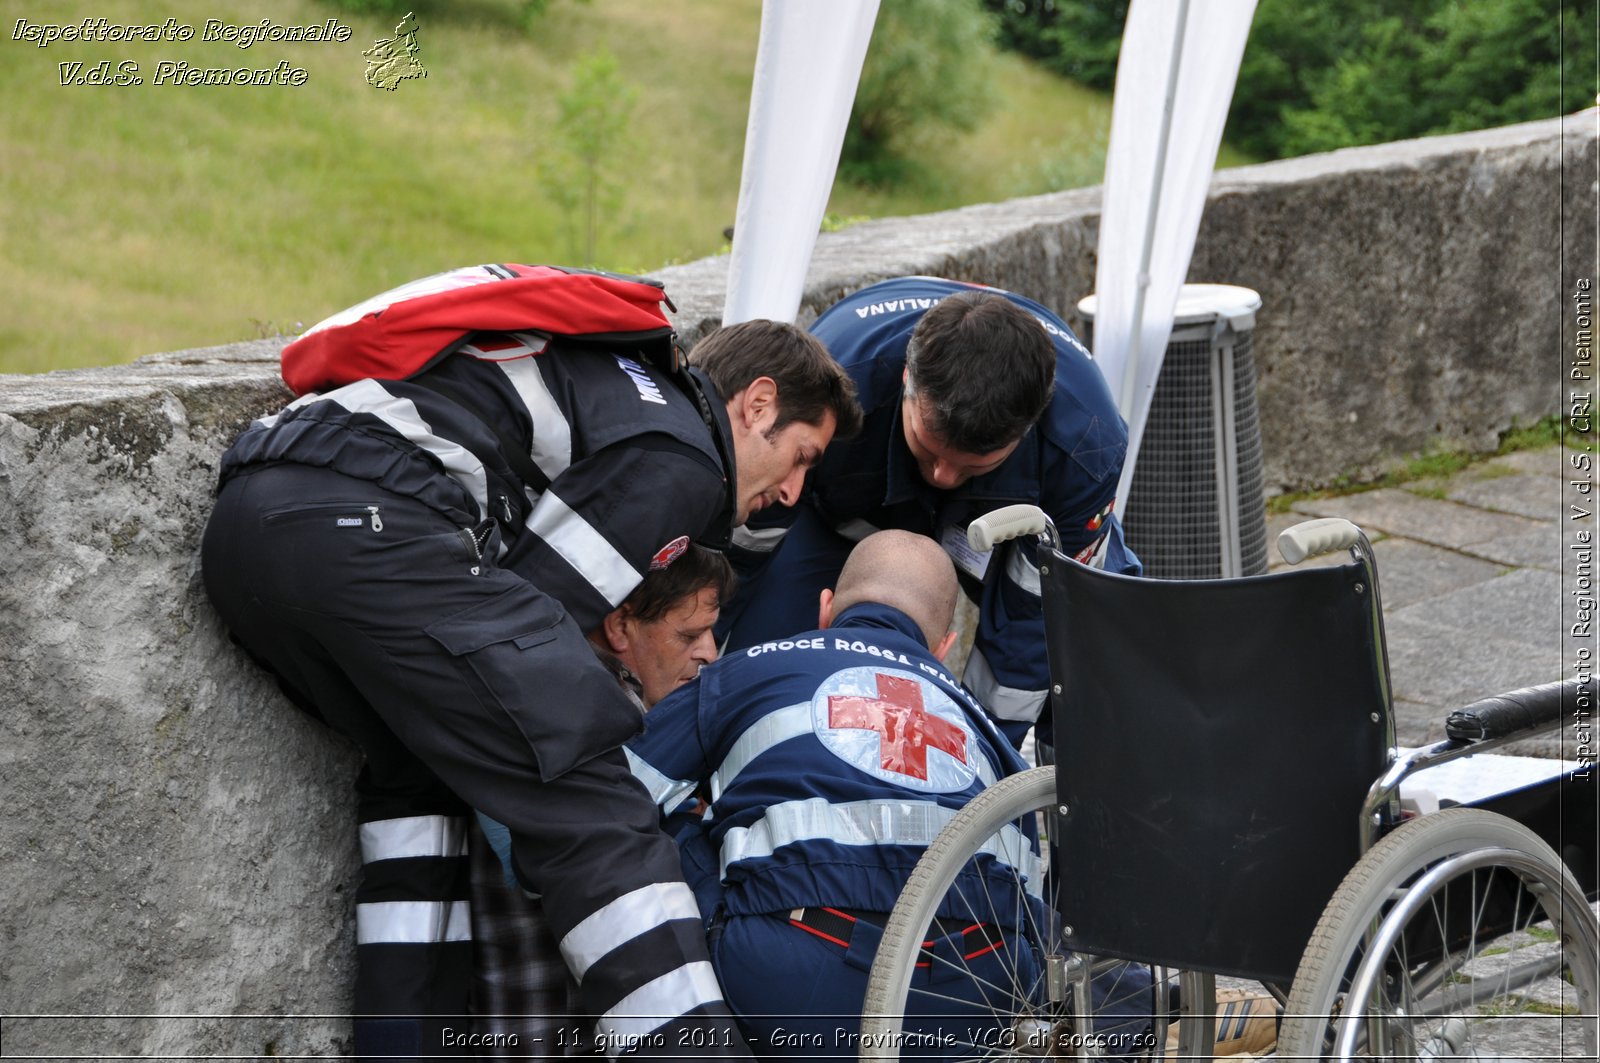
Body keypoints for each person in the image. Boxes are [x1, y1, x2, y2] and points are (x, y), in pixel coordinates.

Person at [201, 295, 862, 1061]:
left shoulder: (620, 387)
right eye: (804, 458)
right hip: (371, 530)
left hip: (249, 526)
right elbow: (547, 624)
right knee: (592, 794)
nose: (792, 495)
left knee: (419, 788)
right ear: (757, 404)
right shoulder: (682, 453)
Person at [624, 531, 1069, 1057]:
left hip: (797, 982)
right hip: (978, 998)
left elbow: (618, 787)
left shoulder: (747, 669)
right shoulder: (986, 732)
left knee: (666, 823)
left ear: (825, 608)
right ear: (944, 647)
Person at [718, 277, 1138, 752]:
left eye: (972, 466)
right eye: (927, 446)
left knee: (1099, 666)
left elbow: (1031, 628)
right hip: (843, 516)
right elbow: (740, 548)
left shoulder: (1086, 446)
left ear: (1024, 432)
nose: (941, 476)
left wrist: (986, 765)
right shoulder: (840, 378)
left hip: (1013, 528)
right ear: (906, 382)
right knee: (769, 660)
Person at [470, 545, 738, 1055]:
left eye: (711, 632)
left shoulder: (606, 709)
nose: (708, 652)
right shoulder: (567, 718)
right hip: (544, 1017)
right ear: (620, 627)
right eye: (688, 635)